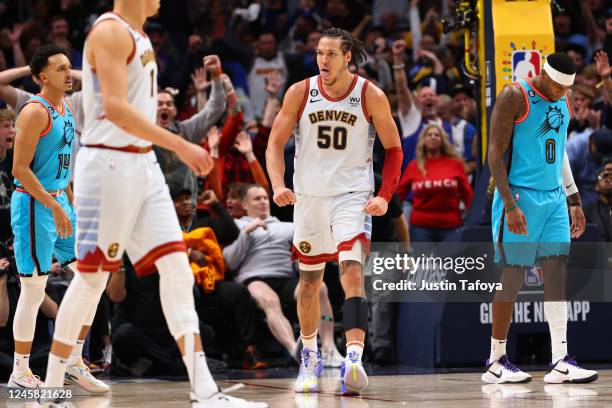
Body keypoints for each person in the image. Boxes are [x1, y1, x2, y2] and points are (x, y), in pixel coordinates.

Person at [40, 2, 266, 407]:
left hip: (142, 164)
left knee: (177, 270)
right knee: (92, 279)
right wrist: (180, 144)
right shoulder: (108, 32)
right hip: (107, 164)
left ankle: (205, 390)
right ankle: (51, 391)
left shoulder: (141, 34)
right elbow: (114, 108)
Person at [266, 28, 403, 395]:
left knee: (351, 272)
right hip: (309, 198)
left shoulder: (369, 95)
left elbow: (393, 149)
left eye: (330, 54)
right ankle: (309, 355)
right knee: (309, 282)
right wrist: (278, 185)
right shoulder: (300, 92)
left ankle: (355, 358)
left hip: (352, 197)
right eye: (319, 53)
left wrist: (385, 195)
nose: (322, 60)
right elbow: (275, 143)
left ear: (348, 58)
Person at [486, 52, 598, 384]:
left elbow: (559, 148)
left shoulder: (563, 95)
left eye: (567, 90)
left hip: (553, 199)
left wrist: (573, 198)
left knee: (556, 276)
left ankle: (560, 360)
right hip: (520, 196)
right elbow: (494, 152)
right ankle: (495, 361)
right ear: (542, 75)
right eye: (556, 87)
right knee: (514, 277)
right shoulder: (514, 96)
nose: (561, 94)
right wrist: (509, 205)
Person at [9, 44, 108, 393]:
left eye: (70, 67)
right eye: (61, 68)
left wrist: (69, 201)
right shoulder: (35, 111)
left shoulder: (65, 106)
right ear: (41, 77)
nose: (69, 73)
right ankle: (20, 370)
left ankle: (74, 361)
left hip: (59, 203)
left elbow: (60, 166)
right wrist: (53, 205)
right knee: (34, 289)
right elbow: (19, 170)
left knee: (93, 279)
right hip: (35, 205)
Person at [222, 184, 344, 368]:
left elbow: (308, 251)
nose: (263, 201)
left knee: (320, 288)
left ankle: (329, 348)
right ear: (245, 205)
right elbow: (229, 262)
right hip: (254, 278)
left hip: (286, 277)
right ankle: (296, 350)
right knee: (270, 300)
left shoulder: (289, 227)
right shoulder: (237, 226)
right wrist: (247, 232)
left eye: (264, 197)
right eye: (257, 198)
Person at [397, 124, 473, 242]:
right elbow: (399, 194)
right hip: (420, 228)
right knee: (423, 261)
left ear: (442, 140)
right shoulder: (413, 166)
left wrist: (473, 219)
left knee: (450, 261)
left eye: (437, 135)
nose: (433, 137)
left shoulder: (455, 164)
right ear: (424, 140)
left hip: (451, 226)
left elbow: (467, 194)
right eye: (429, 135)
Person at [585, 165, 612, 242]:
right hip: (599, 252)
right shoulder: (588, 212)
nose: (608, 180)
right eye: (603, 177)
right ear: (596, 186)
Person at [0, 109, 15, 241]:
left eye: (12, 125)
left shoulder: (14, 158)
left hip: (12, 236)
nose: (12, 130)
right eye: (6, 126)